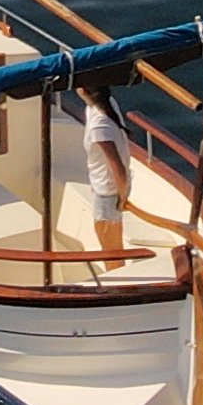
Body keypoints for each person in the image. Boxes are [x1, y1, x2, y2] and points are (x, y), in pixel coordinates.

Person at [78, 84, 132, 268]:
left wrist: (122, 198)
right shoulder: (107, 104)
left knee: (111, 251)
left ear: (83, 91)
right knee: (112, 246)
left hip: (107, 195)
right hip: (109, 190)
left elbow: (117, 166)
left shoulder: (99, 126)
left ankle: (117, 278)